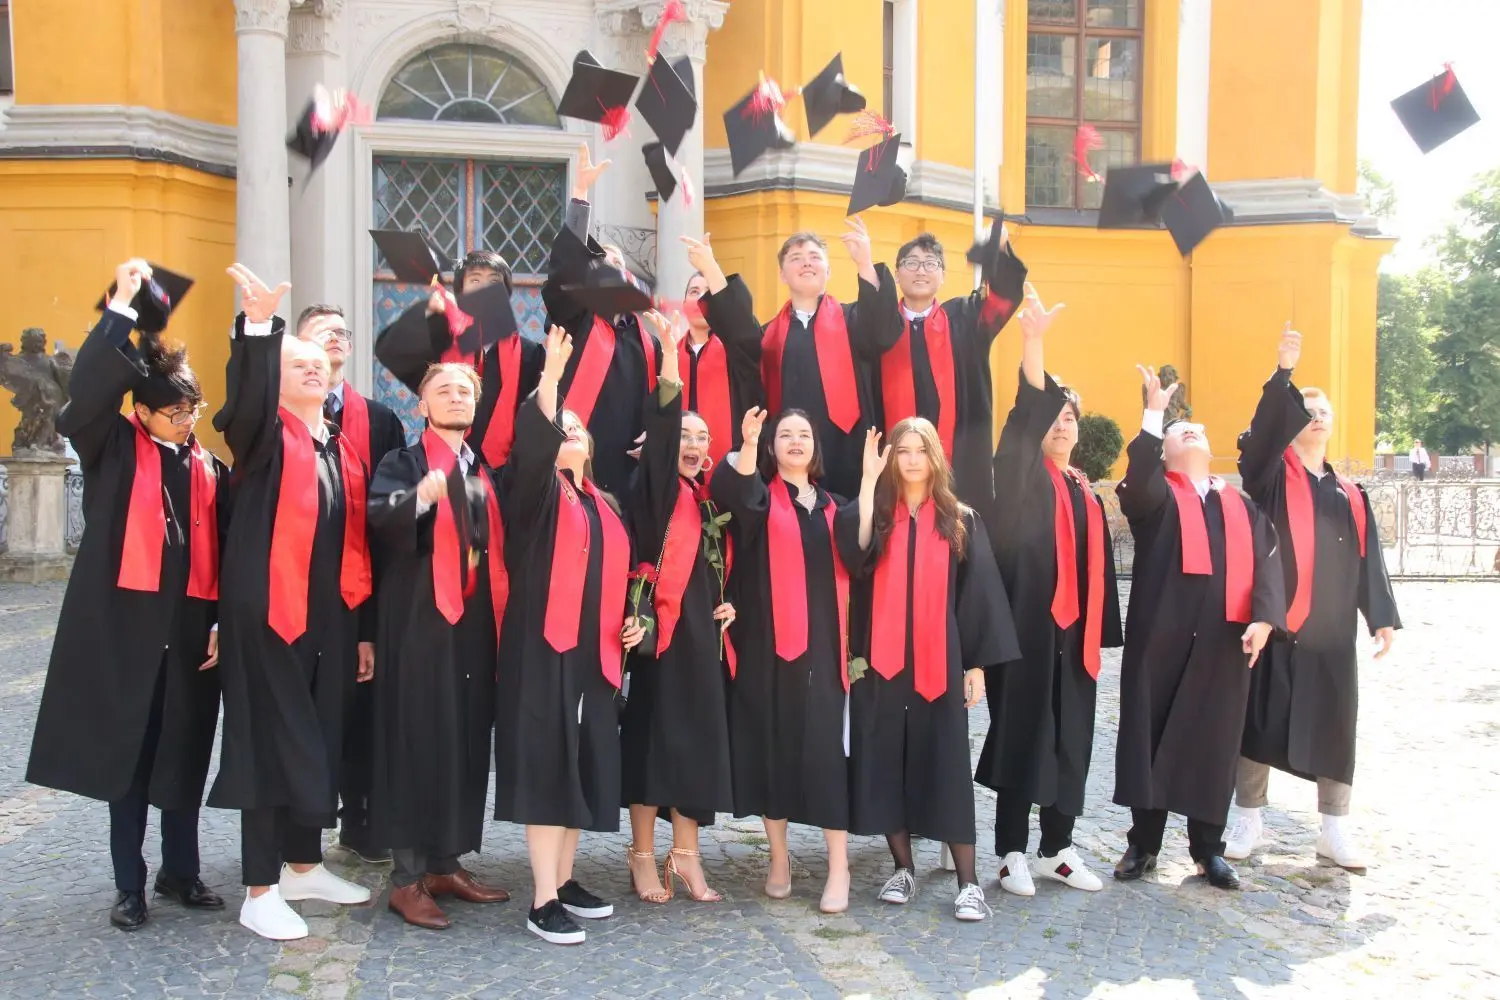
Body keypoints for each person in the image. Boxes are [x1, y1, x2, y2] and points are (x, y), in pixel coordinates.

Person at [26, 259, 229, 931]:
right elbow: (83, 396)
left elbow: (225, 556)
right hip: (127, 637)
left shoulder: (210, 469)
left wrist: (219, 624)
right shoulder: (111, 447)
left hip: (192, 638)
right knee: (131, 762)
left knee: (185, 754)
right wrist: (119, 309)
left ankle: (182, 871)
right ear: (140, 412)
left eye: (192, 408)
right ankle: (129, 884)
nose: (186, 419)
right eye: (174, 411)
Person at [209, 264, 375, 940]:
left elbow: (350, 548)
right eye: (295, 362)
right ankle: (258, 887)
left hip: (327, 621)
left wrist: (358, 630)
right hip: (267, 616)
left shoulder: (333, 448)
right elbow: (243, 402)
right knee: (267, 743)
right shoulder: (263, 438)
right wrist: (256, 327)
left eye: (319, 364)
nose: (312, 370)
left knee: (321, 734)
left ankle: (304, 865)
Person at [494, 326, 648, 945]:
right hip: (543, 649)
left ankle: (565, 878)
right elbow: (532, 451)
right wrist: (552, 384)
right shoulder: (532, 494)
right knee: (547, 764)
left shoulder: (605, 504)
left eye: (578, 428)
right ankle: (542, 898)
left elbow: (626, 578)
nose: (570, 434)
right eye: (561, 427)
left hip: (597, 656)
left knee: (581, 763)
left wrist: (637, 621)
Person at [1226, 324, 1401, 871]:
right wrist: (1283, 374)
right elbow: (1257, 441)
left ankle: (1333, 830)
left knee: (1333, 728)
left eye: (1323, 409)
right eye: (1306, 408)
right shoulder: (1271, 476)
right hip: (1278, 624)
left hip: (1329, 635)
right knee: (1259, 723)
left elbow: (1369, 559)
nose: (1316, 415)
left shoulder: (1351, 494)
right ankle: (1249, 819)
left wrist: (1381, 617)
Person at [1111, 365, 1286, 891]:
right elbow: (1136, 481)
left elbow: (1267, 565)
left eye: (1198, 429)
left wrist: (1263, 618)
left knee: (1213, 742)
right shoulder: (1156, 497)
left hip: (1223, 643)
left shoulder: (1243, 507)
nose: (1190, 430)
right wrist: (1153, 414)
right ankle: (1143, 843)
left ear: (1213, 451)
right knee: (1150, 733)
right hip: (1159, 639)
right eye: (1176, 431)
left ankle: (1208, 849)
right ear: (1163, 452)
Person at [978, 283, 1123, 897]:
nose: (1062, 425)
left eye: (1071, 417)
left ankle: (1056, 849)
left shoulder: (1086, 493)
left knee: (1071, 742)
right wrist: (1032, 344)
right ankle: (1011, 851)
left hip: (1077, 639)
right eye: (1054, 416)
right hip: (1028, 635)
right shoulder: (1017, 477)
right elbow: (1022, 414)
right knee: (1022, 737)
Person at [844, 418, 1016, 921]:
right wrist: (869, 480)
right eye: (903, 451)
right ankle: (903, 868)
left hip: (938, 666)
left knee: (947, 768)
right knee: (884, 765)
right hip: (882, 665)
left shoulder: (958, 518)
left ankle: (968, 884)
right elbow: (854, 561)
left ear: (935, 457)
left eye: (921, 450)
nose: (912, 459)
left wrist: (977, 666)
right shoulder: (878, 514)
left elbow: (978, 595)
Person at [366, 362, 513, 928]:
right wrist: (421, 499)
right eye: (442, 391)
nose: (455, 398)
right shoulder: (400, 463)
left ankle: (445, 862)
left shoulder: (483, 471)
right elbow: (378, 523)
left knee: (464, 739)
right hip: (415, 627)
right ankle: (406, 879)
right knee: (416, 740)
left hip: (473, 628)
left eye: (464, 391)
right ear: (421, 406)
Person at [711, 406, 865, 913]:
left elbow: (862, 558)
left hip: (824, 650)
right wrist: (748, 443)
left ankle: (838, 866)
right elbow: (733, 495)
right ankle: (779, 858)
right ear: (773, 448)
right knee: (772, 751)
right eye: (785, 435)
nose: (795, 441)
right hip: (767, 648)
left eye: (803, 435)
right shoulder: (757, 501)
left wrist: (869, 482)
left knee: (825, 755)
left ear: (815, 447)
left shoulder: (836, 508)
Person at [620, 313, 738, 904]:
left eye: (701, 439)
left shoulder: (710, 499)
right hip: (656, 636)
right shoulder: (654, 487)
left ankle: (686, 856)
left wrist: (730, 606)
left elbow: (726, 569)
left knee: (696, 743)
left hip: (702, 640)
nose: (691, 446)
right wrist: (670, 359)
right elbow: (664, 429)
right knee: (650, 741)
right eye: (683, 438)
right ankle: (642, 855)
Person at [296, 303, 407, 865]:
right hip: (302, 589)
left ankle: (361, 820)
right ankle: (302, 837)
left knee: (364, 708)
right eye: (322, 332)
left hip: (368, 585)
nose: (337, 338)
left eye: (343, 330)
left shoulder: (380, 419)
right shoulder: (279, 419)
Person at [541, 144, 661, 495]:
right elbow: (565, 271)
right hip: (575, 457)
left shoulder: (648, 340)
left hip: (628, 469)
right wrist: (580, 196)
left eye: (618, 264)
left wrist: (656, 432)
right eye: (601, 264)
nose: (611, 269)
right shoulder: (574, 320)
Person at [873, 232, 1024, 504]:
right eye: (911, 263)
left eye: (931, 263)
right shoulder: (878, 327)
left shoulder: (965, 318)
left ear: (942, 276)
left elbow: (1004, 298)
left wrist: (999, 250)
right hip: (893, 467)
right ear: (897, 274)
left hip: (957, 467)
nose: (921, 270)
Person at [758, 222, 903, 498]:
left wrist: (865, 264)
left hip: (848, 450)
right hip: (790, 453)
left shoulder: (854, 320)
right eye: (796, 259)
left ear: (829, 270)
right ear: (782, 274)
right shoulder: (768, 336)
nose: (806, 264)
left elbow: (884, 331)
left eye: (815, 257)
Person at [378, 251, 544, 471]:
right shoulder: (441, 340)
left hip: (504, 477)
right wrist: (428, 312)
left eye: (494, 281)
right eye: (475, 280)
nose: (484, 288)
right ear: (460, 292)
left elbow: (537, 420)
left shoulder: (529, 354)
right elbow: (390, 350)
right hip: (441, 469)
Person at [677, 234, 765, 467]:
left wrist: (710, 267)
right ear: (684, 302)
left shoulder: (736, 350)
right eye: (693, 292)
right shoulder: (666, 354)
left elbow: (741, 326)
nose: (699, 298)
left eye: (707, 292)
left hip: (732, 465)